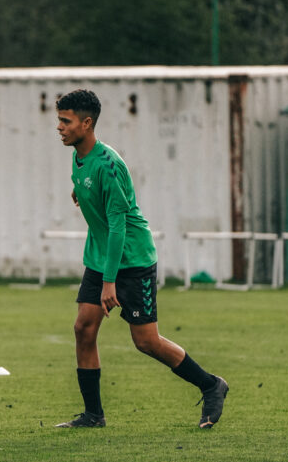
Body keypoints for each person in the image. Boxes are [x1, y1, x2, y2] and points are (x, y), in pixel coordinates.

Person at [53, 89, 229, 429]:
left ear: (86, 124)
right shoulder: (79, 157)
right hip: (101, 256)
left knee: (146, 341)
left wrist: (109, 282)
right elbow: (91, 187)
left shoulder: (109, 165)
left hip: (131, 260)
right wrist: (81, 191)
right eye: (59, 120)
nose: (59, 127)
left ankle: (211, 385)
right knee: (83, 328)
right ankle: (93, 415)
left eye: (65, 121)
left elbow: (118, 226)